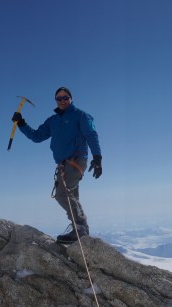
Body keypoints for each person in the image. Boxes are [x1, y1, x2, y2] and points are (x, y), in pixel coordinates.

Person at [12, 86, 103, 244]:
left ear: (71, 99)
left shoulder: (81, 116)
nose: (62, 101)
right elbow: (37, 136)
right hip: (62, 164)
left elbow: (91, 134)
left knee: (62, 194)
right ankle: (78, 230)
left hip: (76, 160)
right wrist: (21, 123)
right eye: (58, 98)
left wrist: (97, 156)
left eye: (65, 97)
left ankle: (81, 228)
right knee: (71, 196)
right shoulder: (52, 121)